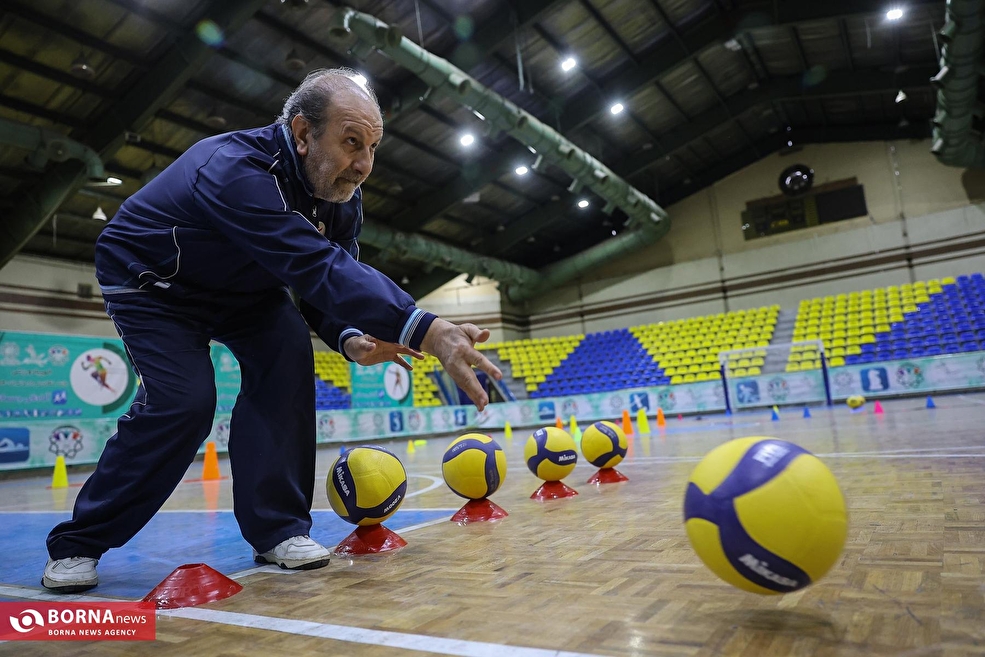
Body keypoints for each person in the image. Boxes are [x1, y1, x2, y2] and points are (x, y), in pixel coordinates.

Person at [42, 68, 502, 592]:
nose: (364, 165)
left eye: (373, 147)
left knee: (287, 360)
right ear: (303, 133)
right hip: (153, 283)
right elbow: (310, 263)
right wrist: (428, 329)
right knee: (185, 403)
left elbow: (325, 286)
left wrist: (353, 337)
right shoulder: (233, 166)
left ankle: (278, 530)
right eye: (352, 143)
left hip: (246, 292)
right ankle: (78, 542)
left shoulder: (342, 198)